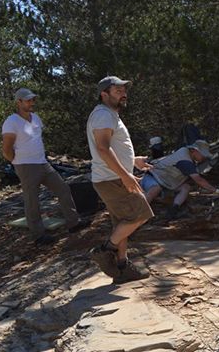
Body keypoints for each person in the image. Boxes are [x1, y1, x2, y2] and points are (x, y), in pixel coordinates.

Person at [1, 88, 91, 246]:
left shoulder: (35, 118)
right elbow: (7, 148)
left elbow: (36, 139)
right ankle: (38, 235)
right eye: (28, 100)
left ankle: (73, 223)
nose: (31, 103)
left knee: (63, 188)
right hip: (26, 165)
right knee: (32, 200)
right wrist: (15, 161)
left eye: (32, 100)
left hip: (42, 162)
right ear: (19, 102)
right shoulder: (12, 122)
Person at [87, 76, 155, 284]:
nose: (123, 94)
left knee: (122, 222)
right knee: (140, 214)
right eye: (117, 91)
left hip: (113, 177)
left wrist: (133, 161)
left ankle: (122, 267)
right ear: (104, 94)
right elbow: (102, 148)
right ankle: (105, 250)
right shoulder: (103, 115)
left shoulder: (110, 114)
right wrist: (126, 176)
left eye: (124, 90)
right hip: (112, 179)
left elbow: (111, 149)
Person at [141, 140, 219, 219]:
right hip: (152, 177)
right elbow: (198, 180)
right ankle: (139, 213)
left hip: (167, 183)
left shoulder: (188, 155)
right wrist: (218, 191)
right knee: (155, 189)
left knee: (185, 187)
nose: (203, 157)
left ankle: (173, 210)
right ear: (194, 151)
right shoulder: (185, 160)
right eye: (202, 154)